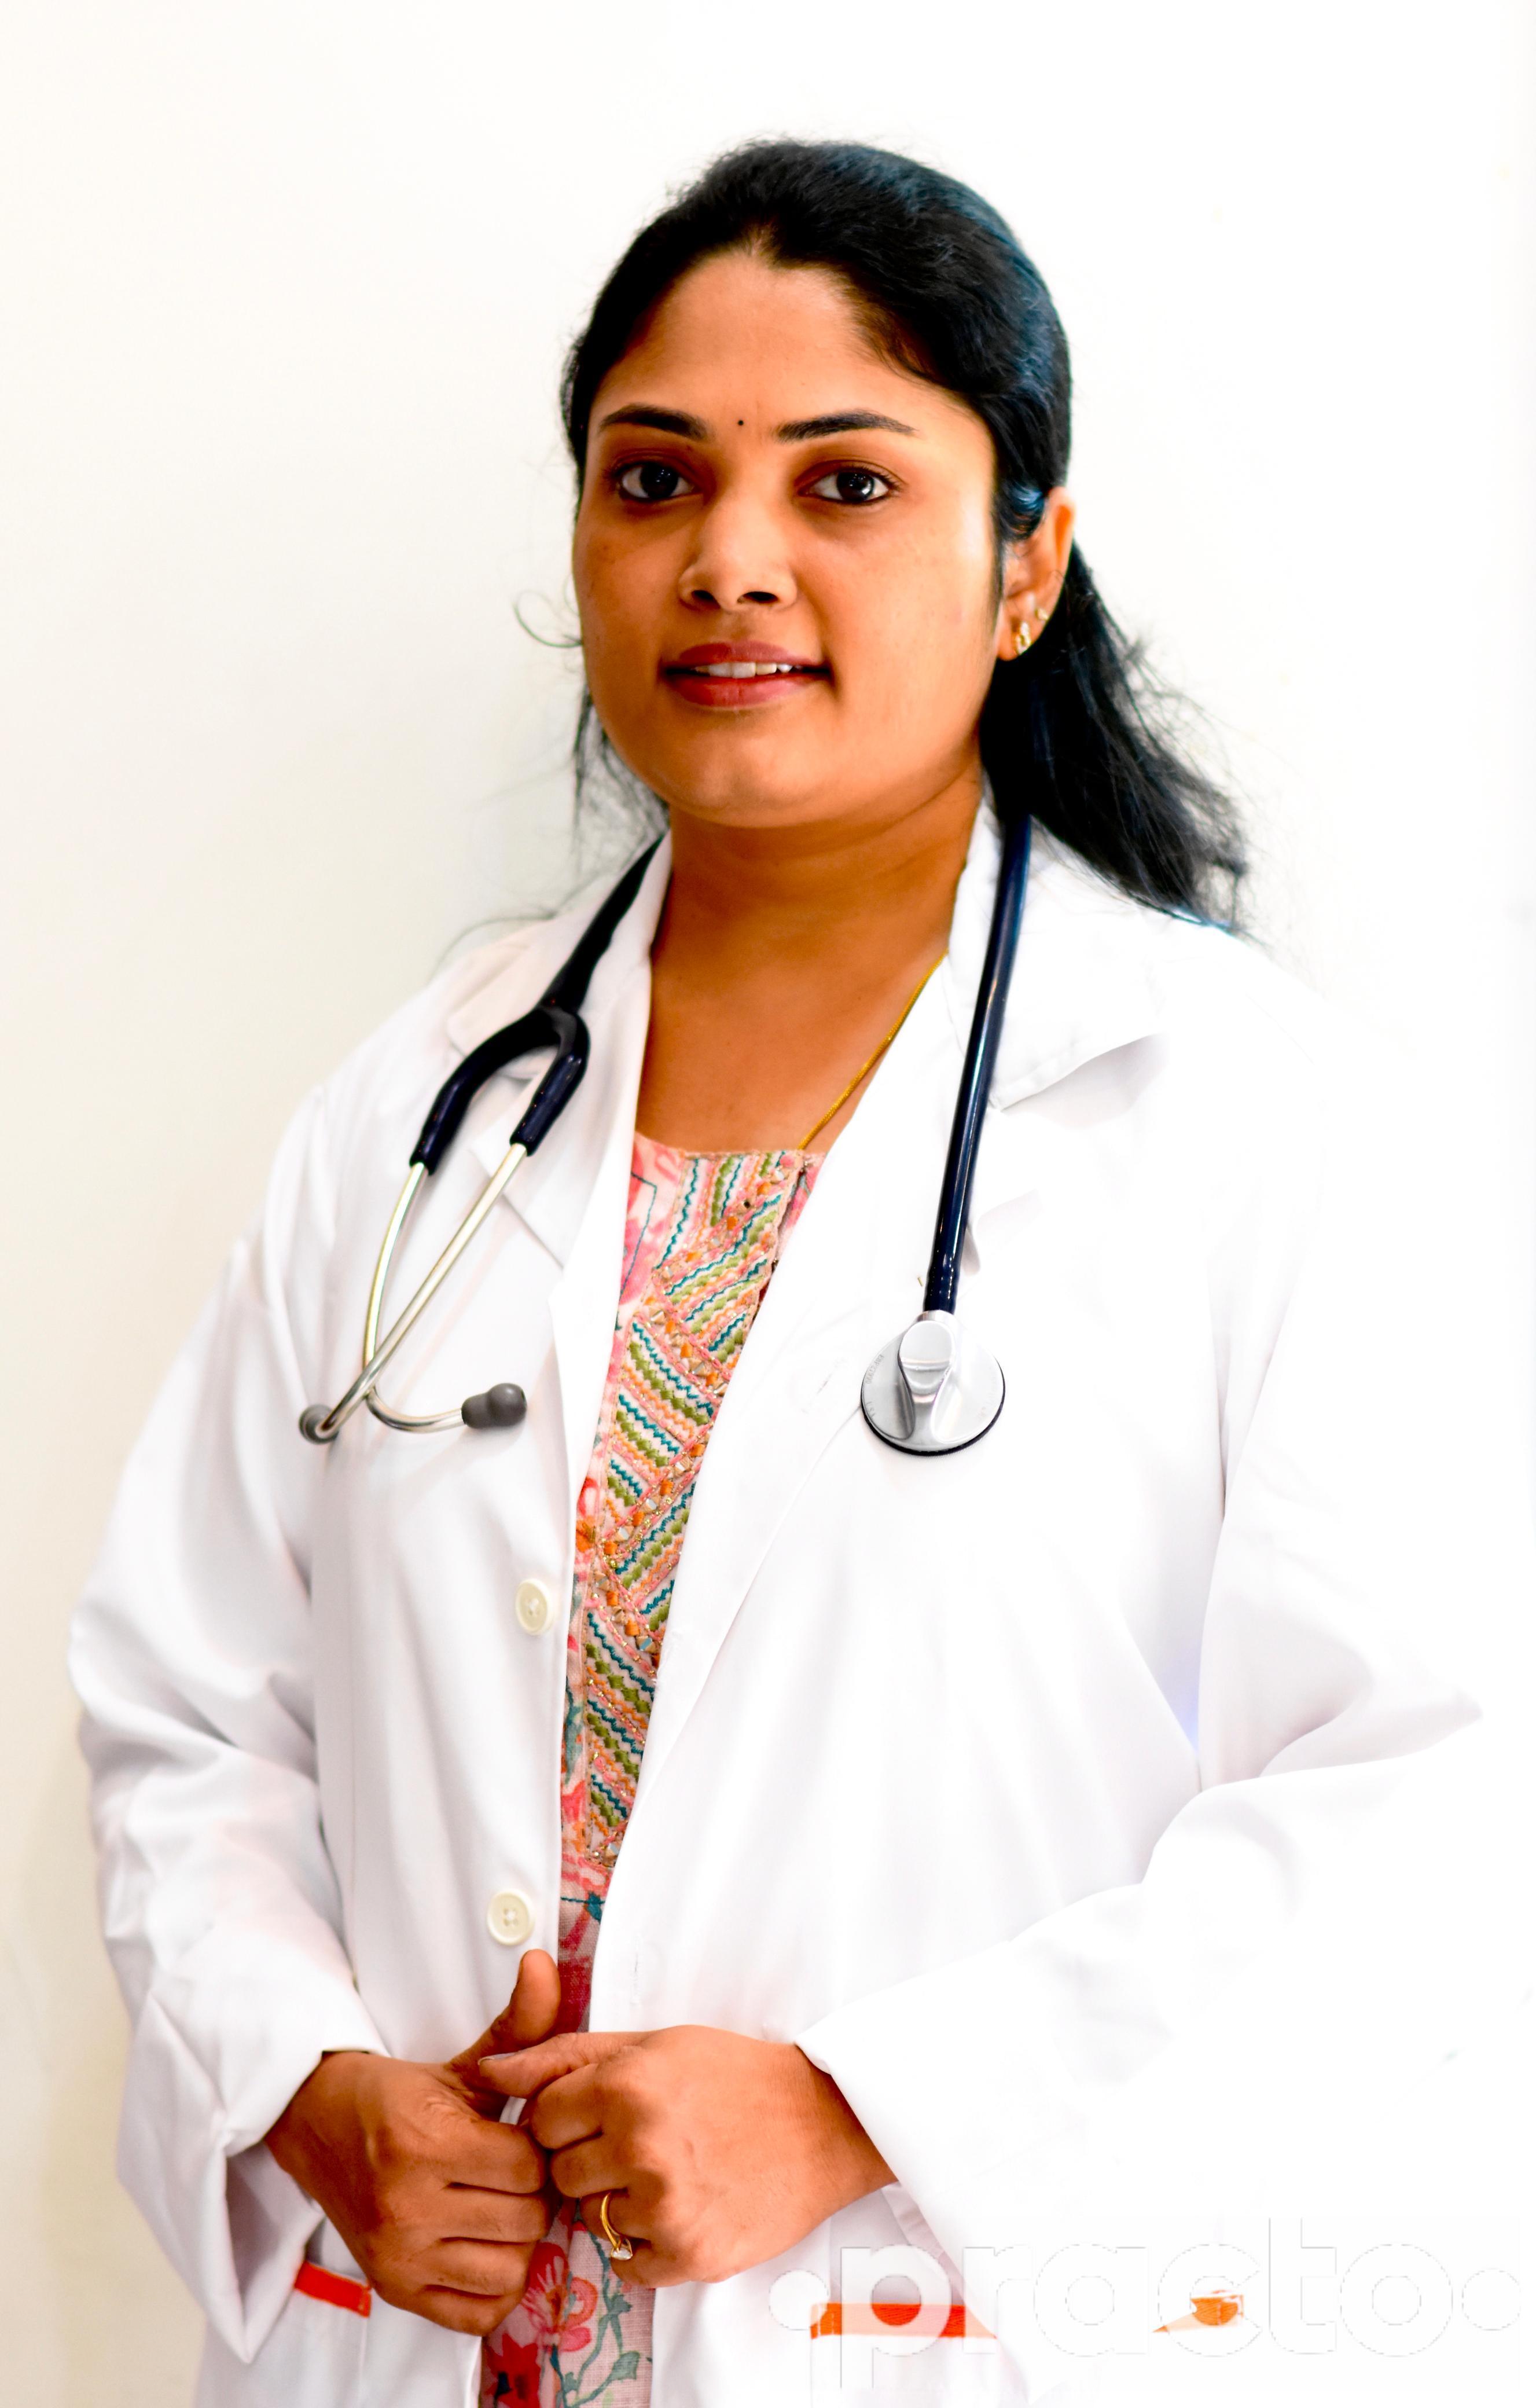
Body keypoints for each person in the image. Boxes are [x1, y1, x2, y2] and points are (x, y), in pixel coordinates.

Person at [72, 141, 1512, 2407]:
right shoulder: (420, 1109)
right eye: (654, 478)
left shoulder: (1250, 1120)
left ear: (1024, 564)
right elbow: (191, 1706)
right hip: (448, 2339)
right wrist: (309, 2083)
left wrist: (860, 2109)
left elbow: (1437, 1803)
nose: (729, 557)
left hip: (929, 2333)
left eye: (846, 482)